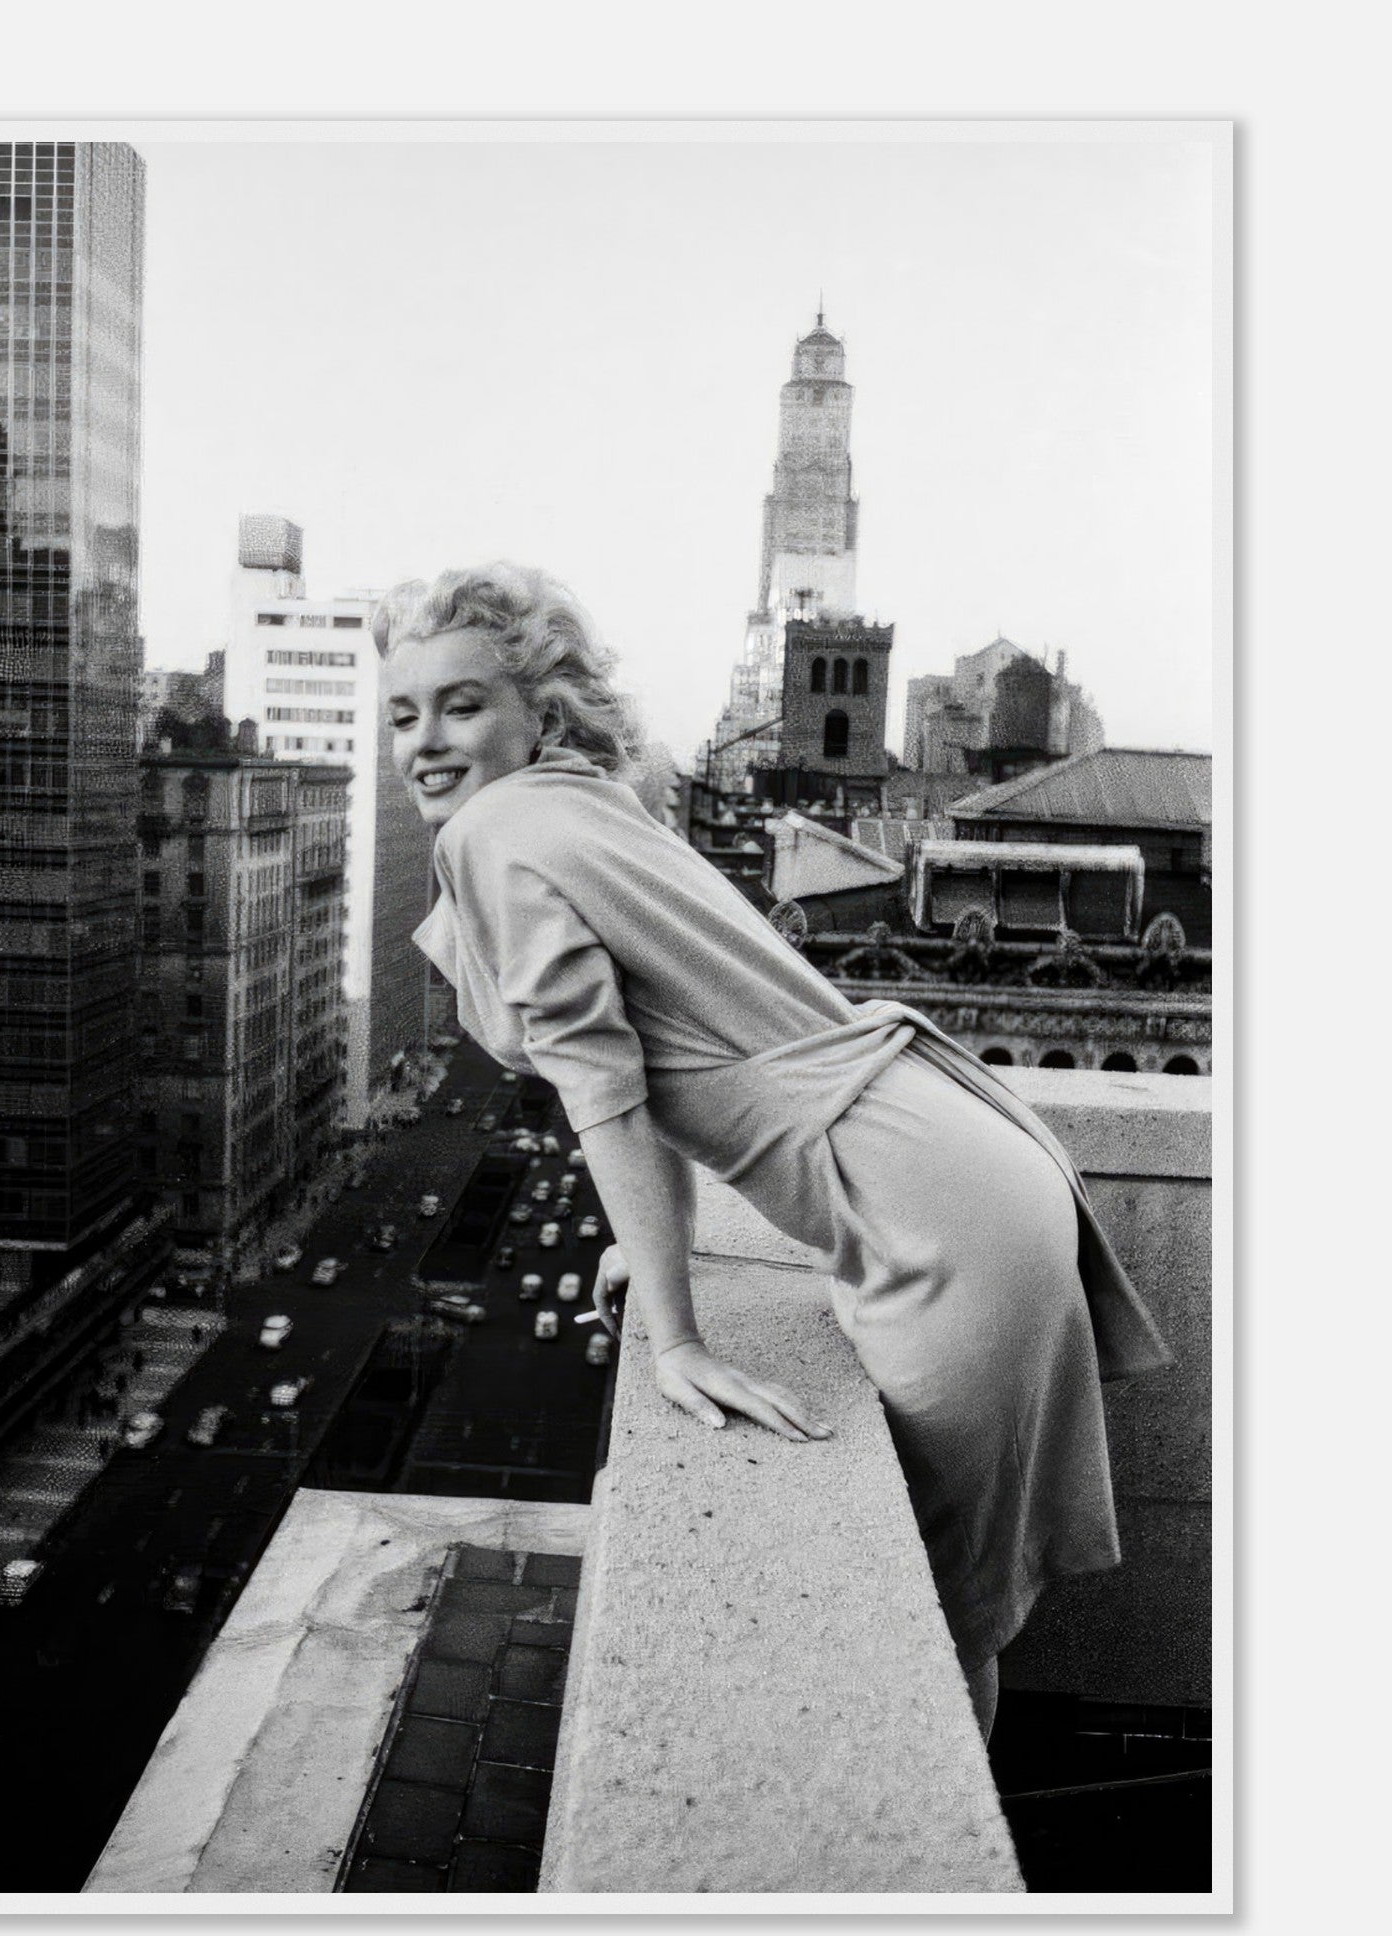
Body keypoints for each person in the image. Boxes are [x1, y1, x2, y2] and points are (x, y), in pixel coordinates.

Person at [378, 562, 1170, 1741]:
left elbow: (606, 1099)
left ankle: (922, 1846)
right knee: (951, 1618)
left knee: (927, 1630)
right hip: (957, 1157)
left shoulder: (497, 831)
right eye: (403, 714)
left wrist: (677, 1340)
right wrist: (657, 1252)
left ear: (536, 712)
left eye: (461, 704)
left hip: (932, 1214)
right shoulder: (583, 800)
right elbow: (652, 1080)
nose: (425, 742)